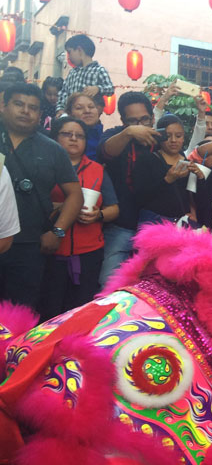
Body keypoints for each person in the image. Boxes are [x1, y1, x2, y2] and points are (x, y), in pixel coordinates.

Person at [0, 82, 83, 308]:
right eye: (19, 104)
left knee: (21, 312)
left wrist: (57, 232)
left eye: (33, 107)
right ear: (3, 105)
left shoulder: (52, 149)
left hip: (30, 246)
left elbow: (75, 195)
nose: (26, 111)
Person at [39, 116, 119, 318]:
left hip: (88, 253)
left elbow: (114, 208)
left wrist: (98, 214)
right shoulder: (43, 166)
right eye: (67, 134)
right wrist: (60, 207)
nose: (74, 139)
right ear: (55, 137)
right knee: (50, 308)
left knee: (81, 310)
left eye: (80, 136)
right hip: (51, 250)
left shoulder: (98, 169)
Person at [96, 92, 163, 285]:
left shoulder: (161, 139)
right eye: (133, 122)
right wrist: (128, 133)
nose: (140, 126)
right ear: (123, 121)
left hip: (154, 229)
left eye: (144, 120)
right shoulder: (116, 136)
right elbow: (105, 152)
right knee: (109, 284)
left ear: (152, 117)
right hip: (121, 226)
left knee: (153, 287)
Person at [133, 113, 204, 227]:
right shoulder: (148, 159)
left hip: (181, 224)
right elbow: (140, 196)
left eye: (178, 136)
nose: (173, 140)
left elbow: (193, 197)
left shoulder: (187, 161)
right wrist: (167, 180)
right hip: (155, 224)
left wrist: (200, 177)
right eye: (168, 136)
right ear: (160, 136)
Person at [55, 34, 115, 114]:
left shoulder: (98, 70)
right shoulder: (72, 73)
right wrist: (60, 109)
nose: (69, 57)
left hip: (89, 116)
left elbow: (110, 88)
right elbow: (63, 92)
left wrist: (98, 88)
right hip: (72, 116)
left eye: (70, 52)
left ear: (79, 50)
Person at [65, 92, 104, 160]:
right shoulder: (65, 140)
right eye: (79, 108)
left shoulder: (107, 138)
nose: (87, 111)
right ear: (70, 114)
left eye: (91, 107)